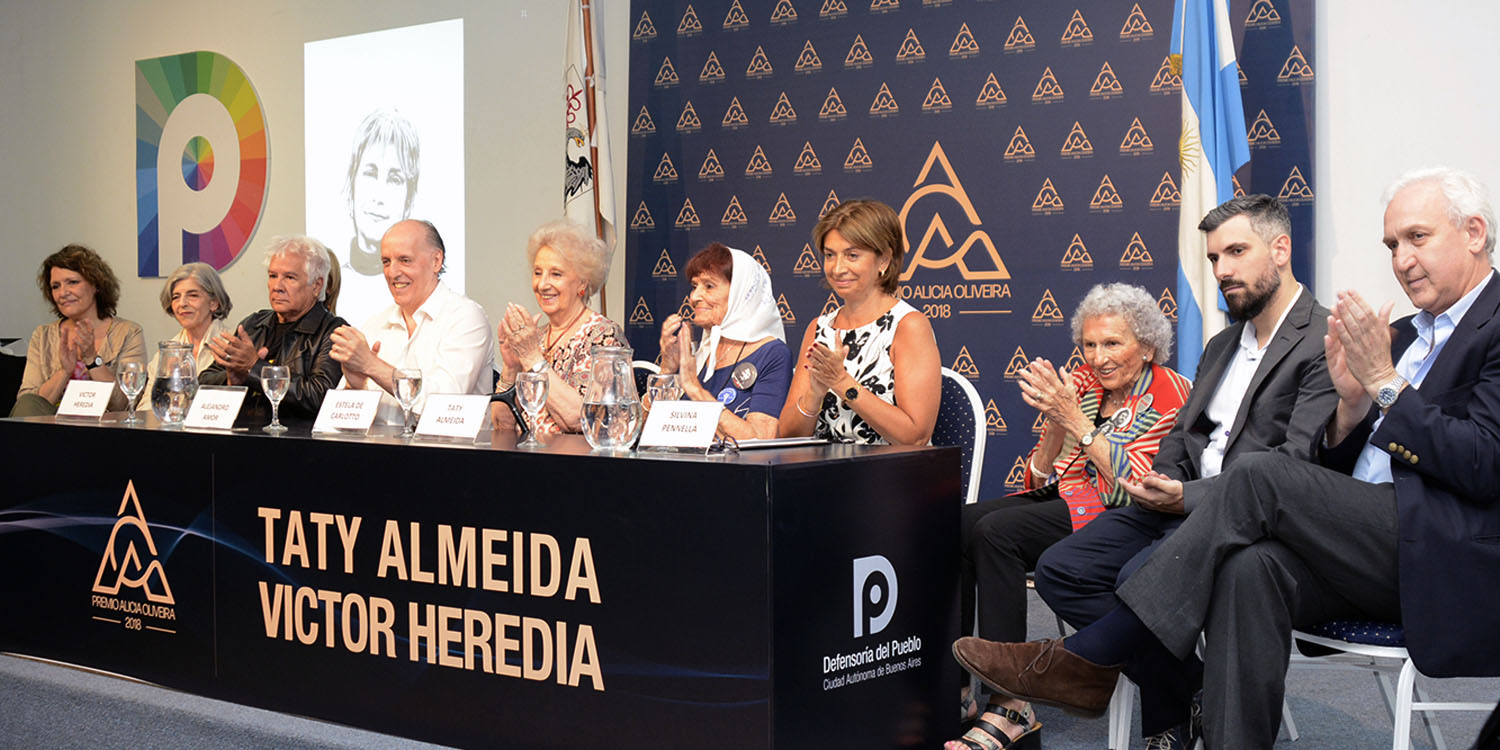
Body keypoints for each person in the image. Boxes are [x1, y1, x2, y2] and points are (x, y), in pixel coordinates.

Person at [950, 166, 1500, 749]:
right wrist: (1351, 405)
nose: (1402, 259)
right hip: (1361, 540)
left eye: (1418, 238)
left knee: (1259, 475)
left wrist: (1384, 384)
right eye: (1392, 244)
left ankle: (1088, 658)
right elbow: (1335, 472)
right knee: (1246, 569)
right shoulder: (1404, 334)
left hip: (1440, 551)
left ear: (1473, 232)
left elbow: (1484, 463)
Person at [1030, 195, 1337, 749]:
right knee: (1061, 570)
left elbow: (1295, 468)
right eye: (1215, 257)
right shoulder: (1222, 343)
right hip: (1171, 502)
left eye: (1236, 252)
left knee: (1137, 580)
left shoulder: (1322, 339)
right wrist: (1159, 481)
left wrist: (1186, 496)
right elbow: (1183, 436)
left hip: (1242, 517)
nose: (1222, 271)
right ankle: (1188, 684)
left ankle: (1100, 683)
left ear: (1281, 249)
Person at [951, 283, 1190, 750]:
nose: (1098, 357)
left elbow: (1133, 489)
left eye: (1112, 344)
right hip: (1069, 498)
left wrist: (1077, 424)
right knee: (963, 523)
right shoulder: (1081, 382)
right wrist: (1057, 421)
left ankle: (1010, 705)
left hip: (1122, 515)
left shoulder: (1167, 394)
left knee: (997, 532)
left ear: (1146, 347)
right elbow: (1038, 477)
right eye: (1089, 344)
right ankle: (960, 685)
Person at [777, 199, 941, 445]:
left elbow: (915, 437)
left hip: (893, 475)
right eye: (830, 255)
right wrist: (814, 393)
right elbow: (788, 436)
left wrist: (842, 383)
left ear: (884, 260)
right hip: (821, 475)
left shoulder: (908, 326)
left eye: (852, 255)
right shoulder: (819, 329)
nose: (838, 268)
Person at [330, 220, 493, 427]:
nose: (392, 272)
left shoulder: (465, 317)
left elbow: (443, 404)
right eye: (386, 261)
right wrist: (356, 386)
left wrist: (371, 365)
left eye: (405, 260)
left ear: (436, 261)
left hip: (449, 455)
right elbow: (337, 422)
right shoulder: (375, 324)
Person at [490, 220, 623, 436]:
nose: (542, 284)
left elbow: (580, 420)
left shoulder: (603, 336)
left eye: (556, 274)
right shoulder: (537, 337)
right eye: (538, 272)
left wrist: (533, 358)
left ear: (582, 283)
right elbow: (501, 425)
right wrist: (511, 366)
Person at [201, 235, 348, 421]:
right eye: (272, 276)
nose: (277, 287)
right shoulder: (254, 324)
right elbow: (204, 379)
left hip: (298, 443)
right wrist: (233, 380)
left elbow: (321, 396)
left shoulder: (333, 331)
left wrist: (255, 368)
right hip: (246, 435)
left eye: (290, 277)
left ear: (317, 285)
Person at [655, 243, 791, 439]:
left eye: (708, 286)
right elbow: (638, 434)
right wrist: (666, 370)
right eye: (694, 286)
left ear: (740, 293)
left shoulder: (772, 353)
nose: (694, 297)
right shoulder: (704, 352)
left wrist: (695, 390)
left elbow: (760, 439)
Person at [12, 245, 146, 416]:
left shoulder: (128, 332)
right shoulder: (43, 335)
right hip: (49, 431)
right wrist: (64, 371)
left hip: (101, 430)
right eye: (55, 286)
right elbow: (27, 405)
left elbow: (125, 404)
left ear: (96, 284)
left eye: (72, 282)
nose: (63, 293)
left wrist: (91, 358)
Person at [138, 262, 234, 411]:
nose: (182, 303)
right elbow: (145, 408)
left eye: (193, 295)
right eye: (176, 297)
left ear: (214, 303)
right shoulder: (165, 352)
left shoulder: (231, 346)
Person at [343, 108, 420, 277]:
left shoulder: (423, 292)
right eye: (370, 174)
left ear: (409, 200)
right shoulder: (330, 285)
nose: (379, 196)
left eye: (394, 179)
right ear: (351, 184)